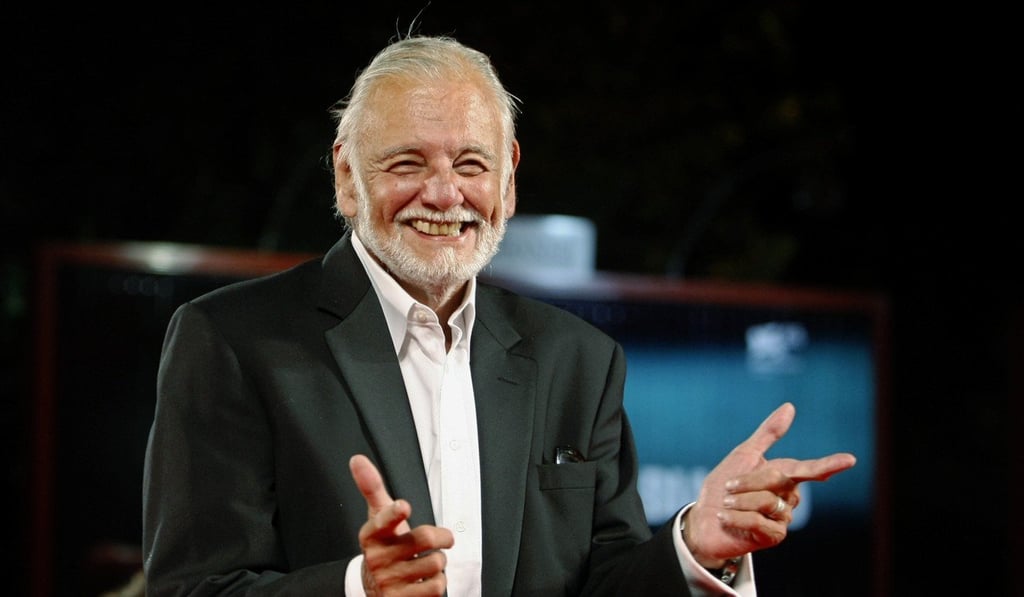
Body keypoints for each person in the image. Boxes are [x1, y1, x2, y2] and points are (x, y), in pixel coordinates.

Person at [141, 34, 856, 596]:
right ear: (346, 175)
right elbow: (190, 587)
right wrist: (359, 588)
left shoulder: (578, 361)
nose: (445, 194)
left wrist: (694, 543)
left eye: (472, 165)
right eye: (407, 163)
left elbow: (603, 583)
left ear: (509, 179)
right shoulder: (233, 340)